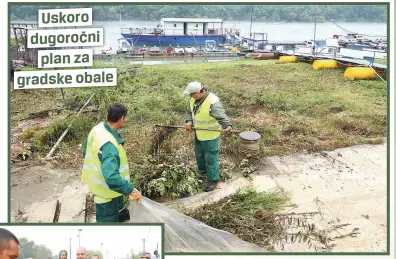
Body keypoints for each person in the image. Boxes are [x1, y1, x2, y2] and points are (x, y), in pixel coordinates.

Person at [82, 103, 142, 223]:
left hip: (104, 189)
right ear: (121, 119)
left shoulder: (97, 129)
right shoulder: (109, 145)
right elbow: (111, 178)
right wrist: (130, 189)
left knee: (117, 214)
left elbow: (85, 150)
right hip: (106, 195)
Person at [183, 82, 232, 192]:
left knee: (211, 159)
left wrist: (227, 126)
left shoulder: (213, 102)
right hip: (199, 134)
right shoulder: (193, 99)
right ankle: (202, 173)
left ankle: (213, 180)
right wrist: (189, 122)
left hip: (211, 136)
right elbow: (189, 112)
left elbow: (222, 116)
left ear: (198, 92)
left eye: (191, 94)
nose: (191, 97)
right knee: (199, 155)